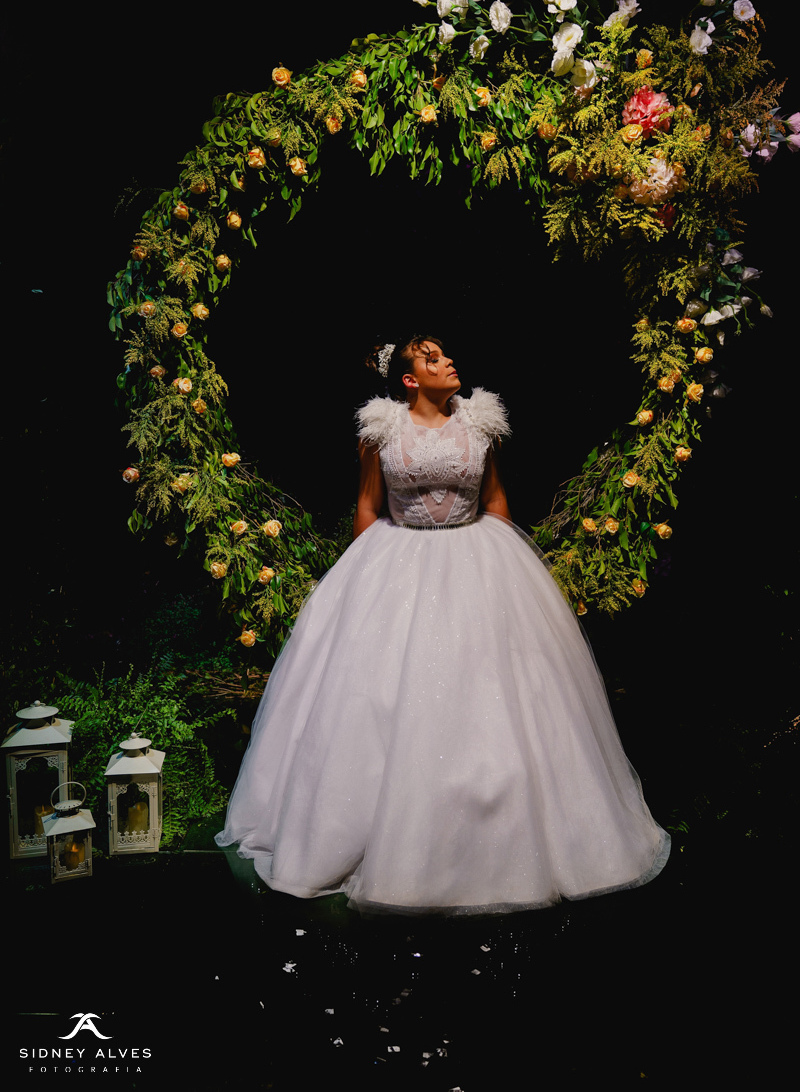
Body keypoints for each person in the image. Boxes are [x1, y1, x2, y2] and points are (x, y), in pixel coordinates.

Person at [215, 335, 670, 913]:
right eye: (432, 358)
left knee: (495, 695)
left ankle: (507, 840)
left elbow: (496, 497)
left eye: (445, 355)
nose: (448, 361)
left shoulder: (480, 422)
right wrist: (361, 583)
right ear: (410, 379)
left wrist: (510, 572)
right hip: (398, 558)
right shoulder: (382, 429)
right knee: (386, 696)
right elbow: (367, 504)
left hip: (476, 556)